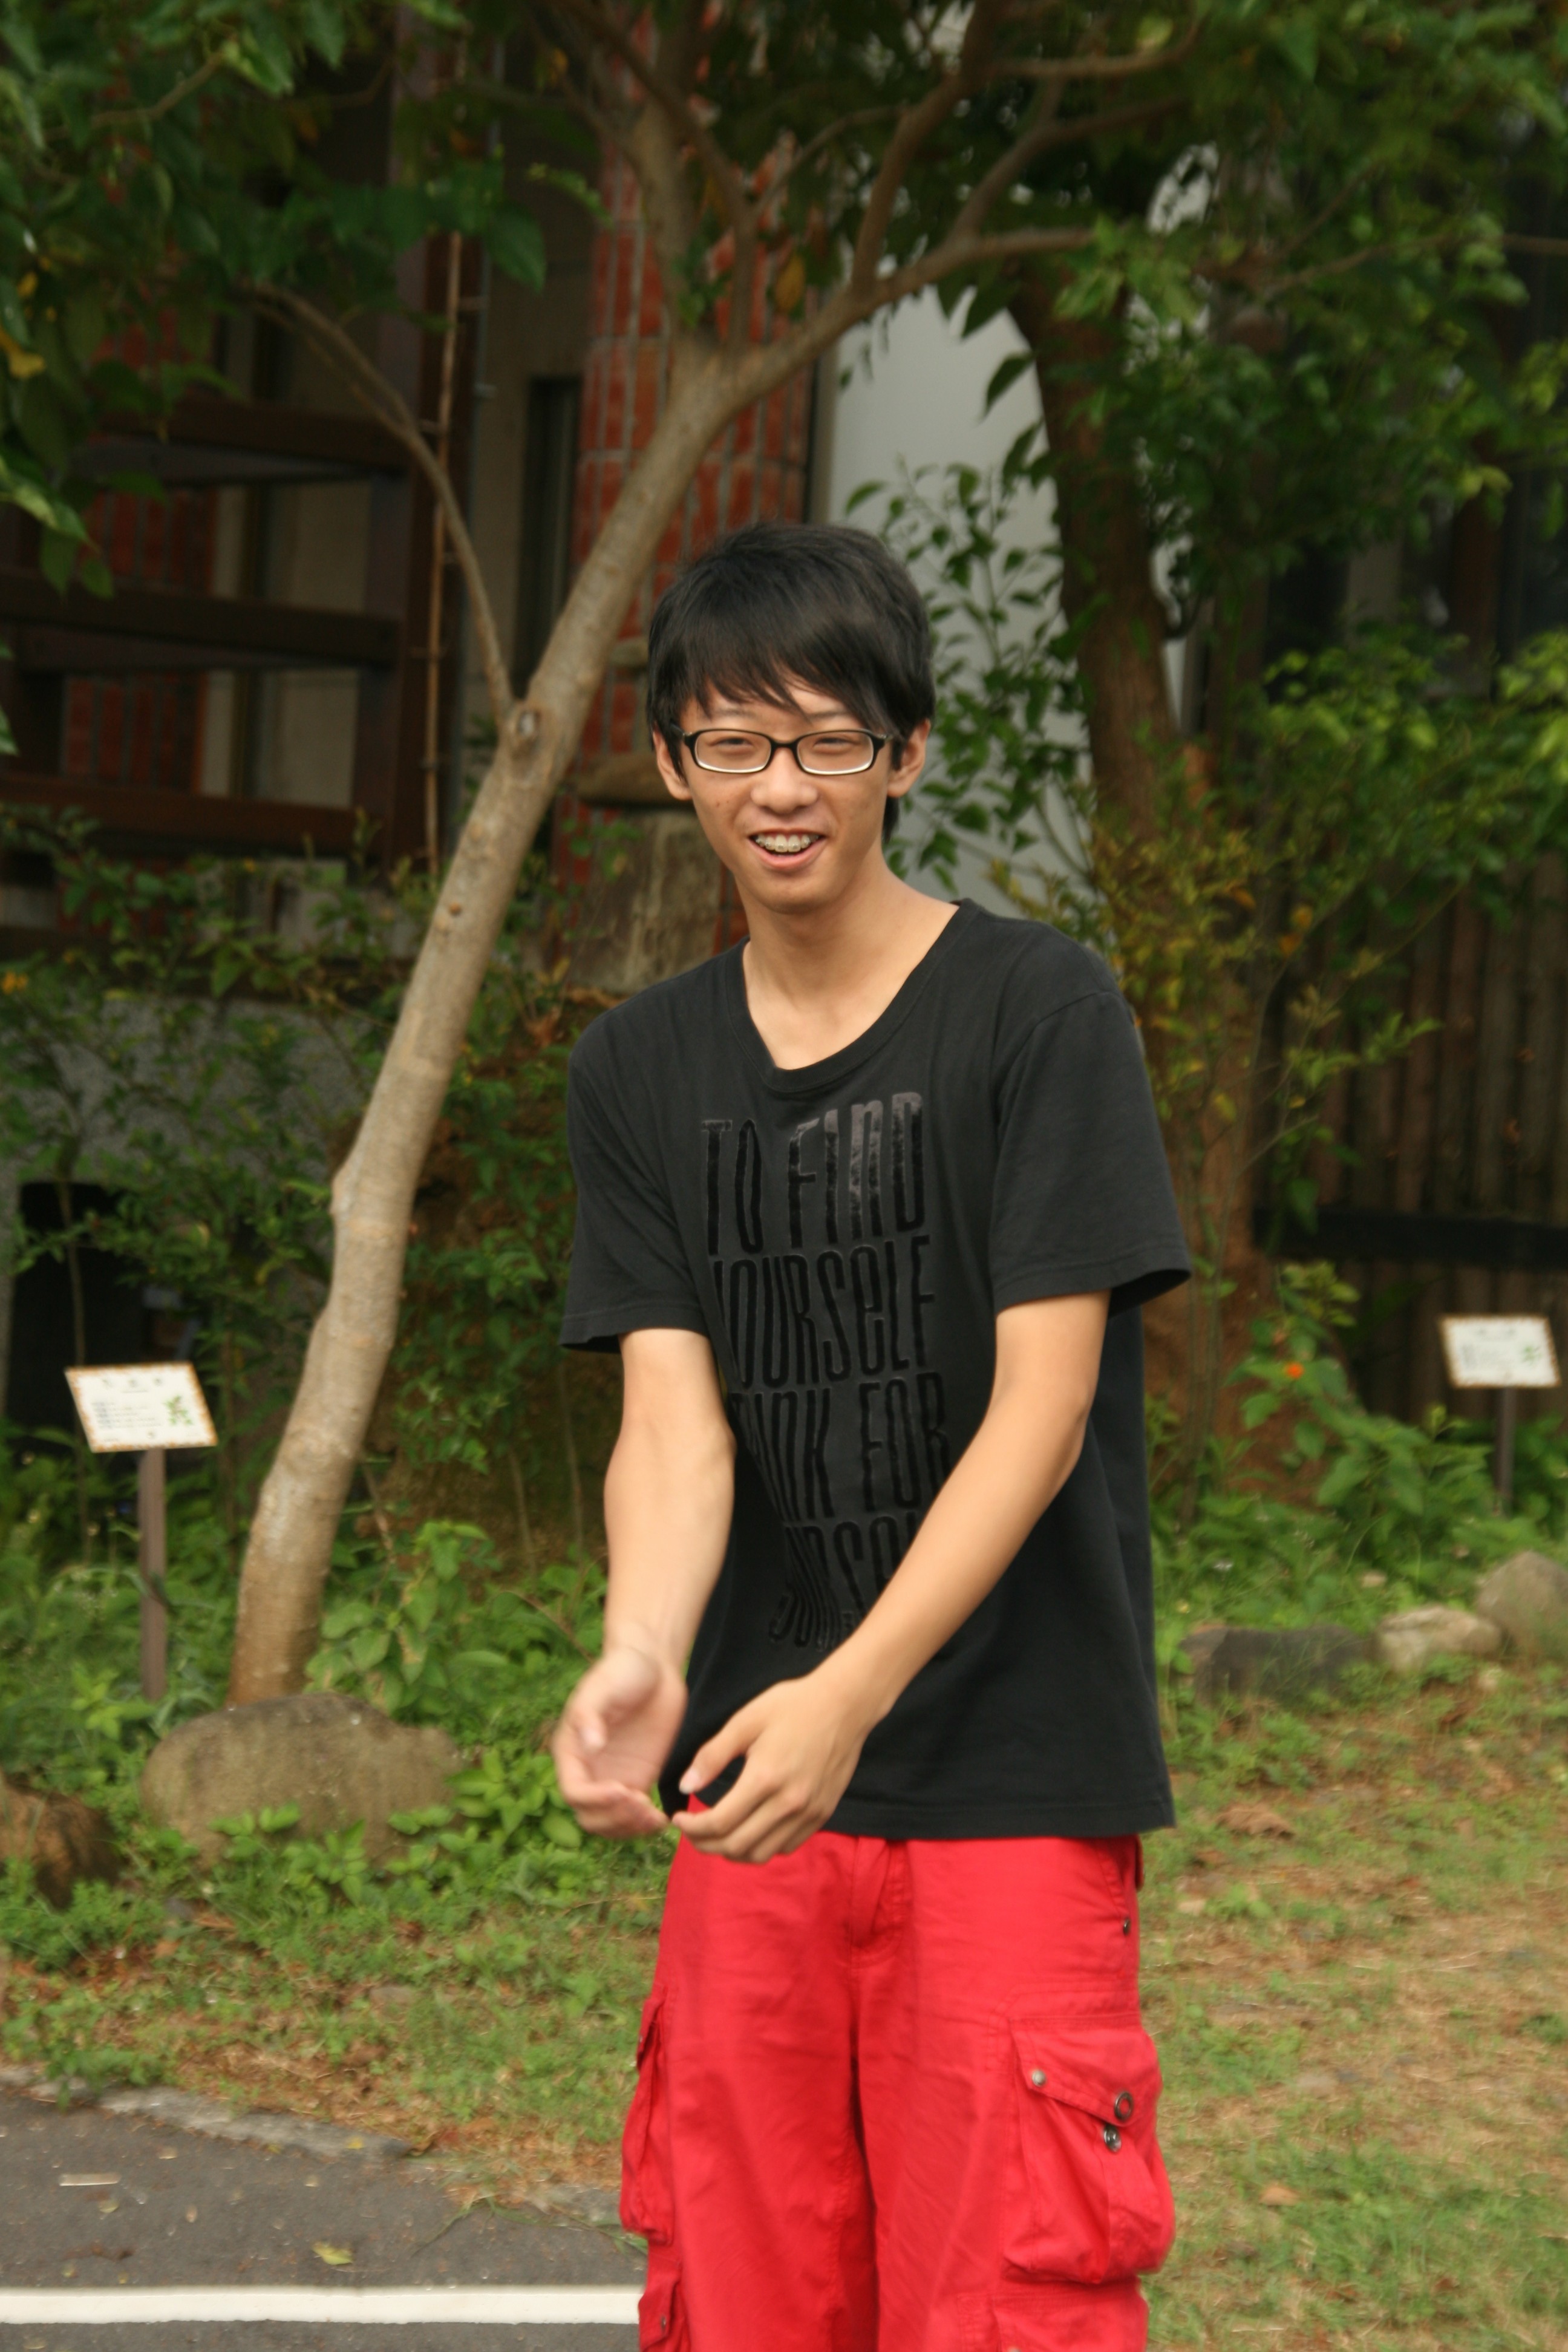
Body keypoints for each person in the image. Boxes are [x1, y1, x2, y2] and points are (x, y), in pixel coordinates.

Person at [552, 521, 1190, 2352]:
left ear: (905, 754)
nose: (784, 785)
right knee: (743, 2289)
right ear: (673, 759)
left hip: (1009, 1782)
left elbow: (1043, 1410)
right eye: (736, 741)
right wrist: (645, 1649)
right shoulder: (640, 1070)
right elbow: (673, 1424)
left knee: (1005, 2302)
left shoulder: (1037, 1012)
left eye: (831, 738)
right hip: (750, 1799)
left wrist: (851, 1694)